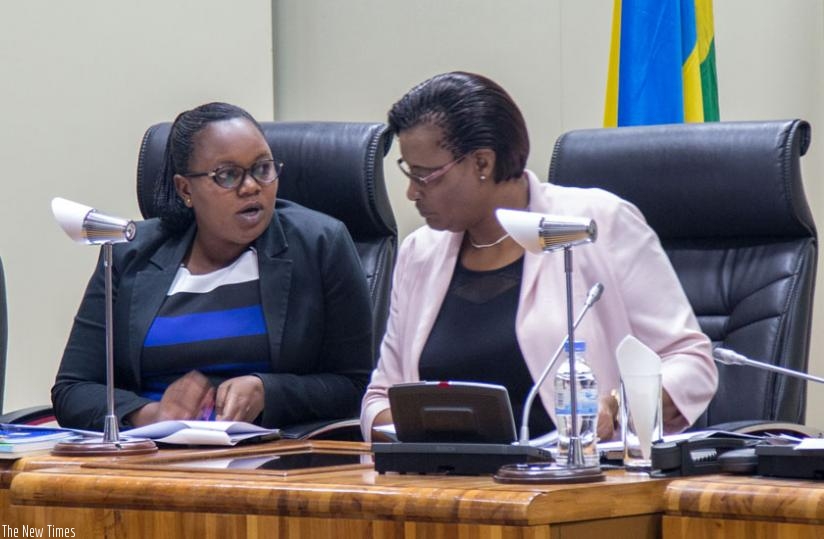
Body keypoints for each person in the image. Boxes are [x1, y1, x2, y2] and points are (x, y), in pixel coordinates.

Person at [361, 72, 718, 441]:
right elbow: (379, 398)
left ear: (482, 163)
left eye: (424, 176)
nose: (411, 193)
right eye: (409, 172)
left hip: (577, 483)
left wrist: (616, 405)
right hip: (449, 486)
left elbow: (691, 364)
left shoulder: (596, 224)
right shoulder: (420, 253)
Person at [53, 102, 374, 431]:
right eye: (228, 175)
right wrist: (154, 415)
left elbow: (357, 385)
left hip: (272, 459)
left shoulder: (320, 243)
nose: (251, 187)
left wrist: (269, 391)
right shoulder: (130, 253)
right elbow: (73, 389)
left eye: (262, 169)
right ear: (185, 189)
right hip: (149, 458)